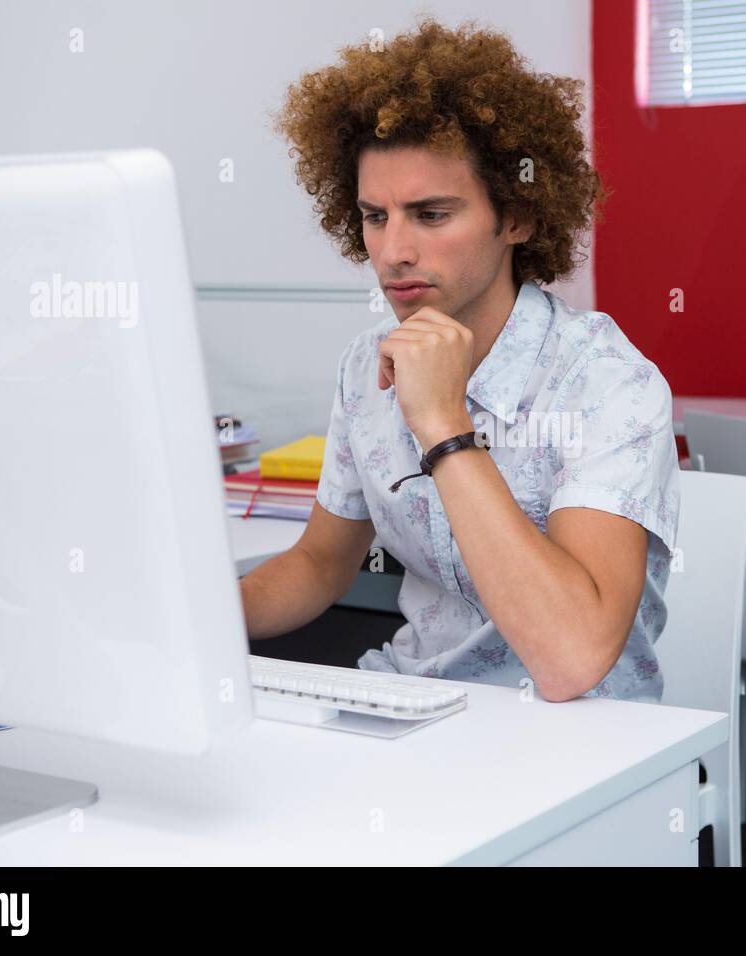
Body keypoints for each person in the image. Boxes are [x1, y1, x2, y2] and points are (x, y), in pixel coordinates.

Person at [241, 16, 680, 703]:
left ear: (517, 218)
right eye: (375, 216)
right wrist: (186, 619)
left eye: (432, 215)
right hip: (413, 706)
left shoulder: (607, 382)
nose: (393, 252)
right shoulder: (365, 367)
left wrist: (443, 425)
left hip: (577, 735)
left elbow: (572, 659)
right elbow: (320, 564)